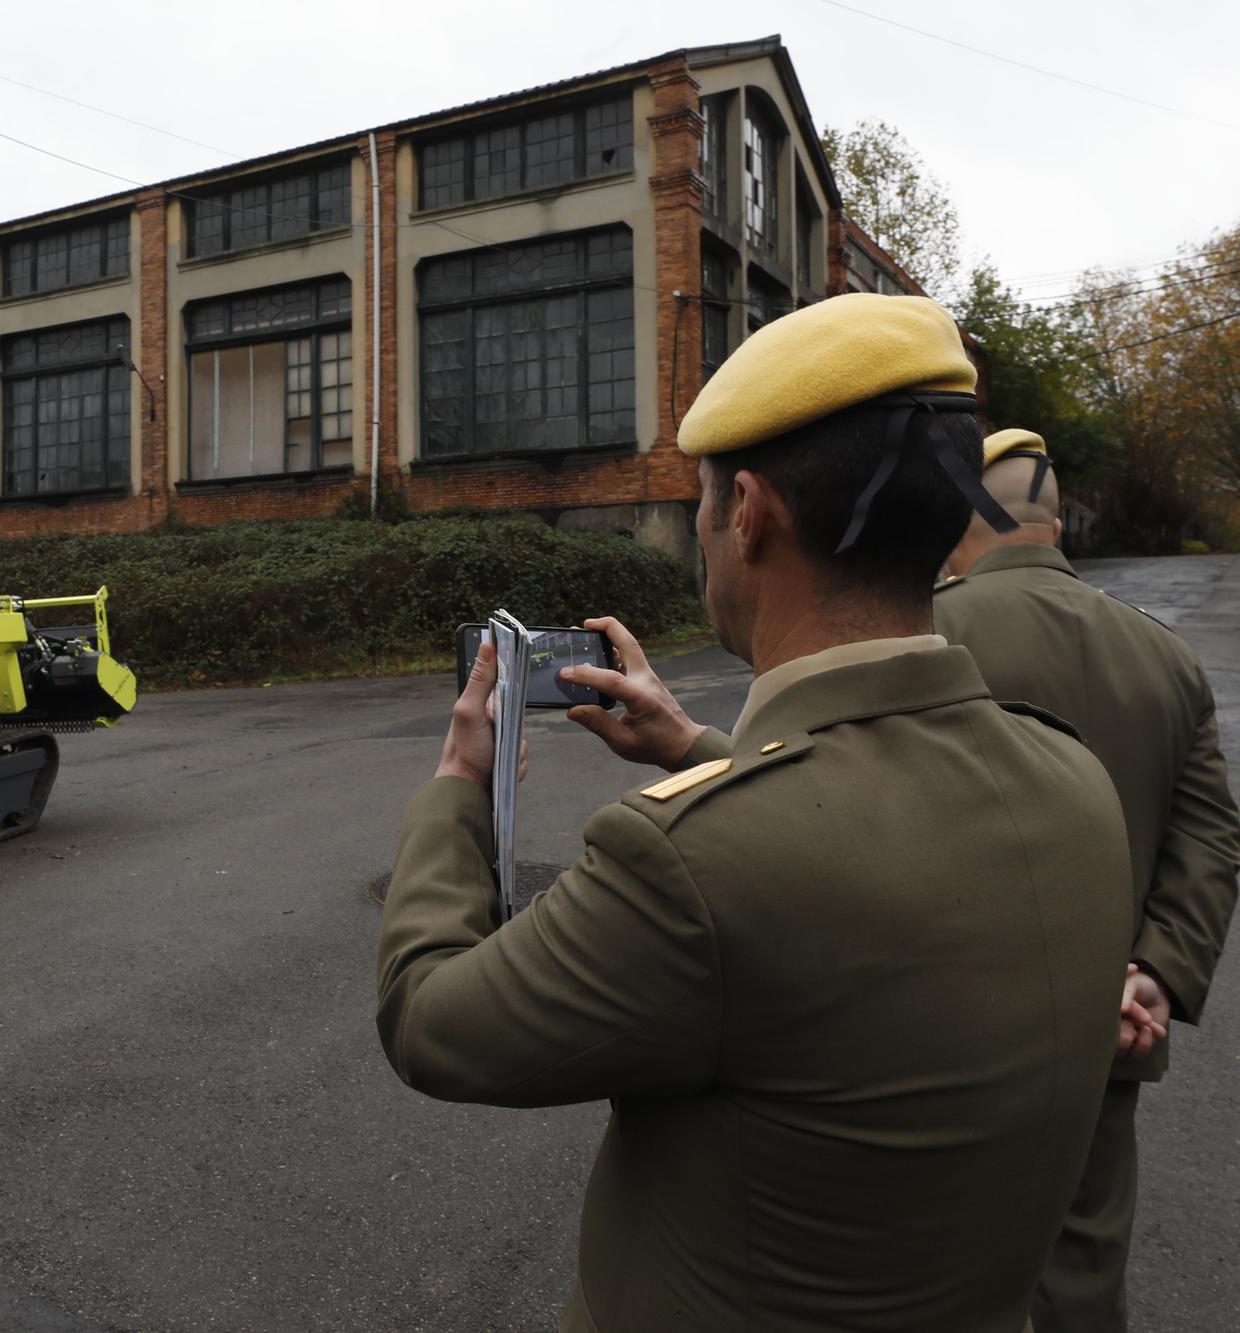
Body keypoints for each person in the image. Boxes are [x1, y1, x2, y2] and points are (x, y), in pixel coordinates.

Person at [376, 294, 1135, 1332]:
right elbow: (871, 831)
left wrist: (459, 780)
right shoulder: (1070, 779)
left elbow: (430, 1021)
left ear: (746, 513)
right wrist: (695, 747)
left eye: (699, 506)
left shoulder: (684, 864)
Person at [932, 428, 1240, 1333]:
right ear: (1059, 523)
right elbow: (1211, 834)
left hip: (945, 1037)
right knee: (1081, 1267)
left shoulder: (922, 635)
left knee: (929, 1263)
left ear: (960, 522)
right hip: (1109, 1028)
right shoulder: (1165, 654)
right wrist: (1156, 970)